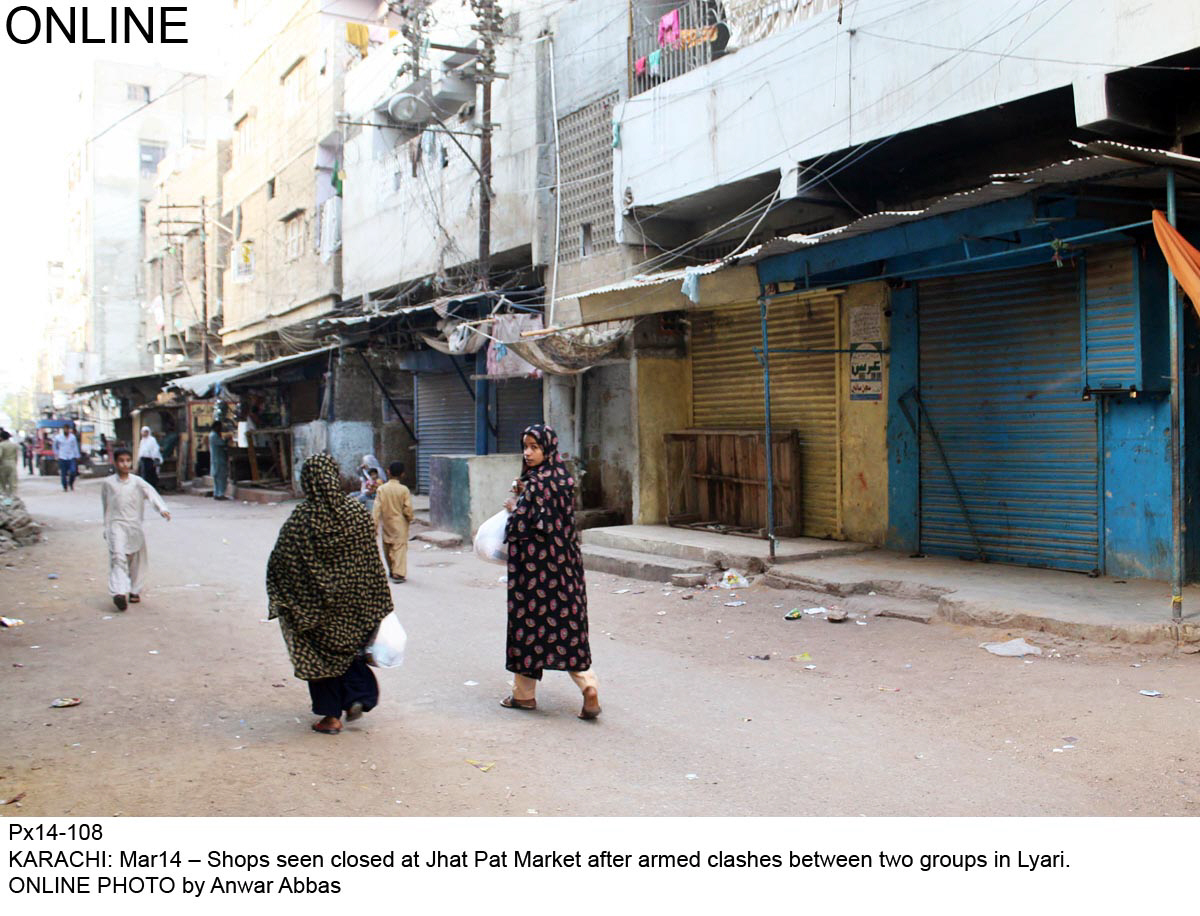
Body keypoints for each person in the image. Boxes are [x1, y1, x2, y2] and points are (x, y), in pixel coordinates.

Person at [266, 454, 394, 735]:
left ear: (309, 481)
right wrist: (376, 598)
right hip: (356, 603)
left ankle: (331, 716)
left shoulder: (302, 519)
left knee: (321, 657)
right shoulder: (356, 512)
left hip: (317, 610)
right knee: (350, 652)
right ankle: (358, 696)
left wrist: (286, 598)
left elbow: (282, 562)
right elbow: (370, 559)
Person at [500, 423, 600, 719]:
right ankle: (588, 687)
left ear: (548, 449)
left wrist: (512, 507)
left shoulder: (534, 484)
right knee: (568, 631)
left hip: (532, 576)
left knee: (527, 630)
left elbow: (521, 526)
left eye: (534, 447)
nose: (527, 453)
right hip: (565, 573)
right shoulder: (563, 479)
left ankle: (524, 696)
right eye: (525, 446)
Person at [101, 448, 170, 612]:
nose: (125, 464)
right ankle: (119, 592)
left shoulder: (137, 482)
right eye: (121, 461)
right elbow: (106, 506)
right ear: (115, 462)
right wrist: (107, 527)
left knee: (136, 560)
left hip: (134, 525)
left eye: (127, 460)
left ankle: (134, 590)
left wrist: (162, 509)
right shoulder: (108, 484)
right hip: (116, 525)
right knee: (118, 557)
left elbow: (151, 493)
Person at [373, 460, 414, 583]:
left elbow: (376, 509)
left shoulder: (381, 489)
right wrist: (410, 518)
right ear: (402, 474)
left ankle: (392, 569)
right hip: (400, 524)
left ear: (388, 472)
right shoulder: (404, 490)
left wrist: (374, 525)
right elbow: (408, 508)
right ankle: (398, 573)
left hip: (387, 524)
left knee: (387, 546)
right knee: (399, 548)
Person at [54, 423, 81, 491]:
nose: (66, 430)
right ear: (63, 430)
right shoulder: (58, 437)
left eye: (67, 429)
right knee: (63, 473)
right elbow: (55, 446)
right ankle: (65, 486)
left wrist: (77, 455)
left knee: (73, 471)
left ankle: (71, 483)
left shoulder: (72, 437)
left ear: (69, 430)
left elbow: (75, 446)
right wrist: (56, 454)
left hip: (71, 456)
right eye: (65, 429)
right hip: (62, 457)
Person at [209, 420, 230, 500]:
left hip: (217, 459)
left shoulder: (213, 435)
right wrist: (227, 439)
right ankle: (220, 494)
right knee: (221, 478)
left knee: (217, 478)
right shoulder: (214, 436)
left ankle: (217, 493)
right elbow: (222, 443)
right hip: (218, 460)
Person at [0, 430, 18, 496]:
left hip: (3, 465)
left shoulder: (1, 445)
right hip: (12, 464)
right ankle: (13, 497)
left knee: (2, 484)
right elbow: (16, 456)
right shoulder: (14, 445)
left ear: (1, 438)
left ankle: (4, 499)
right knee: (13, 483)